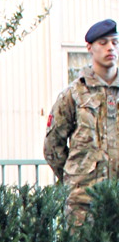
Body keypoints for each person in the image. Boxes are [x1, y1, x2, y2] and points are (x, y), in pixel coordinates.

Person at [44, 18, 119, 221]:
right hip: (84, 202)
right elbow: (53, 146)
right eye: (103, 43)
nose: (110, 48)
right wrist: (76, 177)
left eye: (114, 42)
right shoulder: (73, 94)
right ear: (90, 48)